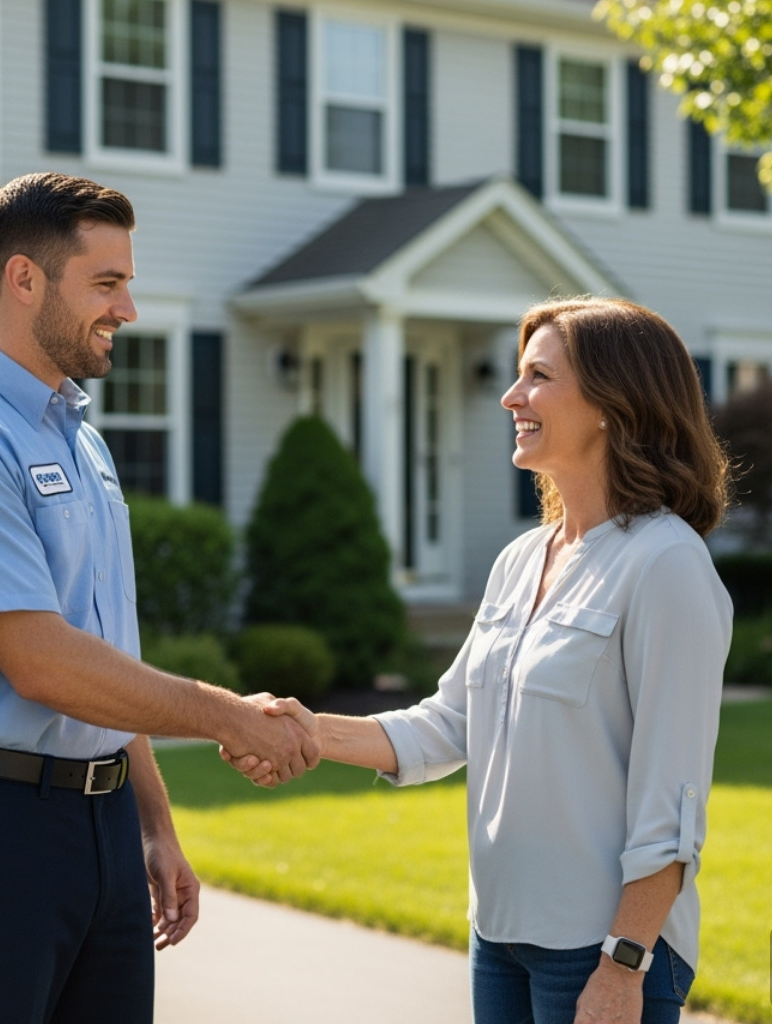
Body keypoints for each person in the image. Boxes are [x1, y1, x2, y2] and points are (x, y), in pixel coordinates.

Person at [0, 171, 318, 1024]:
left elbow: (104, 658)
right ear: (25, 279)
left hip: (104, 825)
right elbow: (43, 662)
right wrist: (229, 717)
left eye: (128, 284)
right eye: (107, 284)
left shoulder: (81, 440)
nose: (128, 309)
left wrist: (151, 821)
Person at [235, 297, 733, 1024]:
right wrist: (302, 727)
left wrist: (625, 964)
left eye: (538, 376)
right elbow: (448, 725)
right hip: (497, 937)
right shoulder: (521, 559)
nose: (512, 396)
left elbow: (674, 803)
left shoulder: (666, 564)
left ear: (611, 403)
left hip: (601, 950)